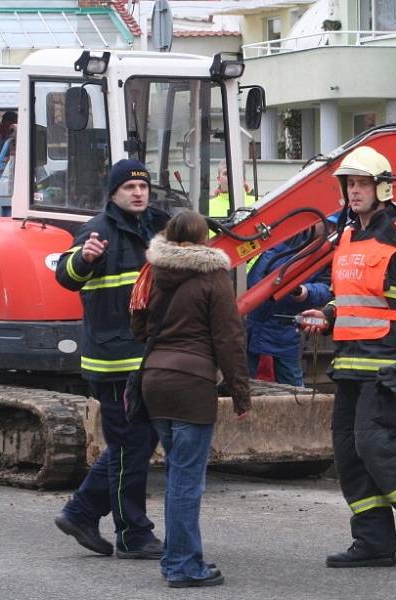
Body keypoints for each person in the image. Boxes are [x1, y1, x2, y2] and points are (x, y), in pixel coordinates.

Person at [301, 146, 396, 568]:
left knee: (373, 442)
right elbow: (353, 298)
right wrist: (325, 315)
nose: (354, 191)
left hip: (389, 360)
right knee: (348, 452)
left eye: (362, 183)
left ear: (382, 188)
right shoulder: (347, 237)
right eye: (349, 184)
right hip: (350, 361)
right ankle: (373, 543)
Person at [54, 159, 169, 559]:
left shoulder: (156, 228)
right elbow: (66, 275)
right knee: (130, 448)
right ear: (114, 193)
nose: (138, 193)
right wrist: (84, 258)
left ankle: (82, 511)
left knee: (134, 444)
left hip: (145, 357)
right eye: (129, 188)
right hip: (115, 361)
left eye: (143, 187)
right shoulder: (97, 230)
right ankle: (133, 533)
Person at [130, 210, 251, 588]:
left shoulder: (152, 272)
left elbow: (138, 326)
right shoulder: (213, 278)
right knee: (186, 481)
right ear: (204, 241)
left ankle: (175, 558)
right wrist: (241, 394)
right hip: (191, 385)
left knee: (176, 476)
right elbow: (229, 340)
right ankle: (184, 565)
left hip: (154, 381)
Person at [246, 222, 333, 386]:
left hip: (284, 328)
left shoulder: (329, 252)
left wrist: (304, 291)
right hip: (255, 320)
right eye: (327, 224)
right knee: (243, 382)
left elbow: (326, 288)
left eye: (334, 227)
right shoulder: (286, 233)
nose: (330, 230)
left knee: (293, 387)